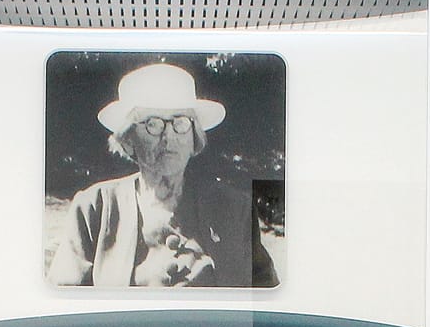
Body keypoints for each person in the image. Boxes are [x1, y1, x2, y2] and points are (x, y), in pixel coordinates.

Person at [48, 61, 278, 288]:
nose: (169, 137)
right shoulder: (94, 209)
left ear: (194, 138)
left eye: (180, 123)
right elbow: (64, 307)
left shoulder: (234, 210)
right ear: (128, 140)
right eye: (153, 124)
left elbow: (267, 308)